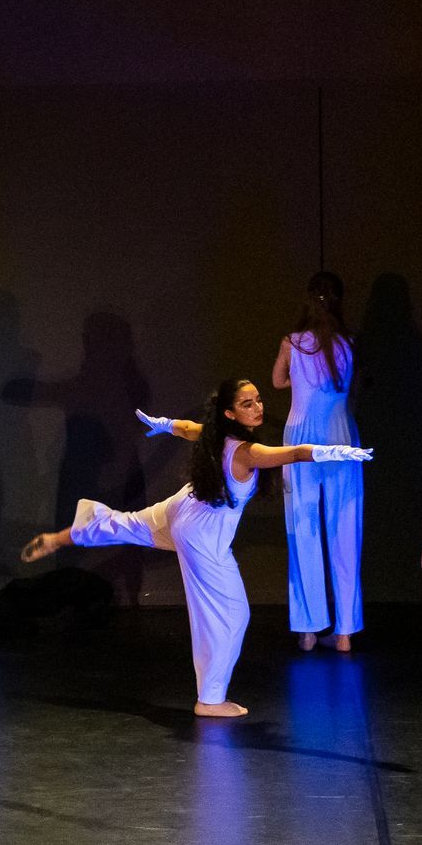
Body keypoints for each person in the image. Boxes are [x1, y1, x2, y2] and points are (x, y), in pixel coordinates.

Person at [21, 381, 371, 717]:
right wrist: (331, 451)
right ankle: (210, 699)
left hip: (182, 507)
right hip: (202, 533)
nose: (258, 407)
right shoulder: (248, 452)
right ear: (230, 414)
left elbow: (188, 428)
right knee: (231, 616)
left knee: (125, 523)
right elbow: (293, 452)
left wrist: (164, 424)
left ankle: (57, 539)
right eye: (247, 404)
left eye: (259, 400)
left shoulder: (215, 435)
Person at [272, 271, 363, 652]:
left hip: (301, 440)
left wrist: (298, 376)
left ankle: (308, 630)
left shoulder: (292, 343)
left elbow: (277, 382)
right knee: (345, 529)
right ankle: (344, 632)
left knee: (304, 529)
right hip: (341, 435)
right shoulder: (348, 343)